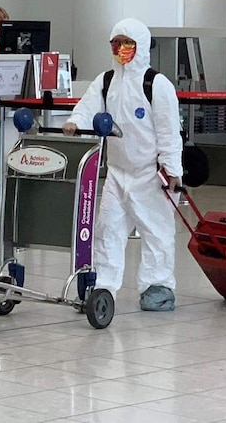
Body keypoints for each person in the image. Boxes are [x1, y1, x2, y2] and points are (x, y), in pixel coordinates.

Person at [62, 18, 183, 311]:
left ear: (140, 46)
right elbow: (87, 106)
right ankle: (103, 286)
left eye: (127, 43)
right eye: (116, 43)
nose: (121, 49)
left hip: (151, 174)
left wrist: (172, 169)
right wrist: (75, 123)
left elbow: (169, 131)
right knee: (108, 230)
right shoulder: (106, 81)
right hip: (116, 173)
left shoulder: (156, 84)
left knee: (156, 231)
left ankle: (158, 285)